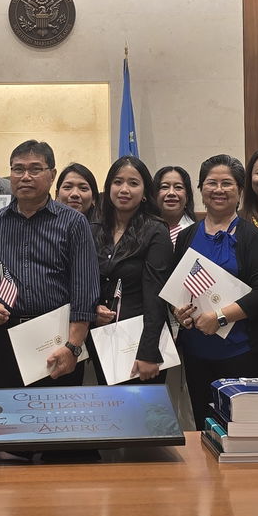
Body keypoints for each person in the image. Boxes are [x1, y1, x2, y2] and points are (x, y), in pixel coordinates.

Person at [0, 140, 99, 389]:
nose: (25, 177)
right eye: (18, 169)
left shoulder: (73, 223)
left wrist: (73, 346)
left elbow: (85, 289)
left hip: (57, 341)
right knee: (6, 419)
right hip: (2, 340)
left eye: (35, 169)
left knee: (57, 419)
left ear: (52, 175)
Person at [169, 154, 258, 427]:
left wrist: (220, 317)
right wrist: (178, 312)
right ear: (201, 189)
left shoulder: (252, 236)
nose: (218, 190)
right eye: (211, 183)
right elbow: (176, 287)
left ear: (240, 190)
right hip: (196, 352)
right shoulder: (186, 235)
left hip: (242, 352)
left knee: (241, 428)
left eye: (227, 183)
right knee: (205, 425)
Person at [93, 156, 174, 384]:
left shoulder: (156, 230)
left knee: (143, 417)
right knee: (111, 413)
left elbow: (156, 294)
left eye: (133, 183)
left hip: (141, 342)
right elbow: (87, 282)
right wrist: (93, 309)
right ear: (108, 187)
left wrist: (148, 350)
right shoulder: (94, 229)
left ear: (145, 192)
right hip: (105, 338)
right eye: (118, 182)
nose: (124, 189)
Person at [152, 164, 197, 245]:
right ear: (155, 195)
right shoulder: (143, 230)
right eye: (164, 187)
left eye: (178, 187)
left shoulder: (196, 234)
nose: (171, 193)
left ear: (187, 196)